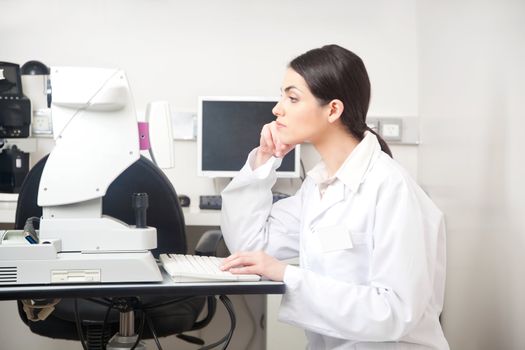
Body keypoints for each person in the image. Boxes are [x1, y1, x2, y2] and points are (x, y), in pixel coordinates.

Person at [219, 44, 449, 350]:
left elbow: (395, 312)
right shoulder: (318, 186)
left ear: (333, 110)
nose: (277, 109)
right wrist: (264, 159)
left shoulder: (391, 187)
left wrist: (287, 275)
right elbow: (249, 246)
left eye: (292, 97)